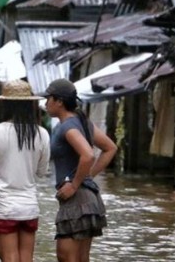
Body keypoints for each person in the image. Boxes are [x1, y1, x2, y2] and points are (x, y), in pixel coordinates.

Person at [38, 78, 117, 262]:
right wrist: (87, 176)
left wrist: (74, 184)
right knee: (81, 258)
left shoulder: (67, 126)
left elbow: (88, 155)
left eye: (48, 98)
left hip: (77, 199)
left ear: (59, 101)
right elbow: (110, 148)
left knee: (66, 257)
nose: (46, 103)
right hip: (89, 197)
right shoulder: (83, 122)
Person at [0, 80, 51, 262]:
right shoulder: (42, 133)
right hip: (30, 207)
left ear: (5, 104)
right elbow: (42, 172)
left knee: (10, 258)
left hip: (5, 207)